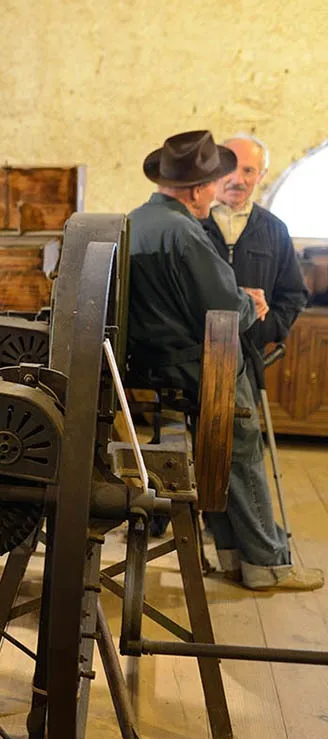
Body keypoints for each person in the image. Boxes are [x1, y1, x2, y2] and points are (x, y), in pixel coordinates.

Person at [125, 130, 322, 591]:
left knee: (224, 461)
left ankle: (233, 555)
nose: (219, 187)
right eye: (213, 181)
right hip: (201, 365)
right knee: (244, 452)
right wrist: (251, 303)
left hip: (158, 361)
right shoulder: (184, 231)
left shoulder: (138, 221)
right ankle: (267, 565)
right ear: (196, 190)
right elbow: (224, 312)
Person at [201, 135, 309, 385]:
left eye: (249, 170)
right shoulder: (191, 224)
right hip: (195, 356)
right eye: (229, 169)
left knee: (244, 424)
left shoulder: (275, 230)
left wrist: (267, 327)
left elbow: (294, 294)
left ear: (261, 175)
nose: (237, 180)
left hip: (249, 360)